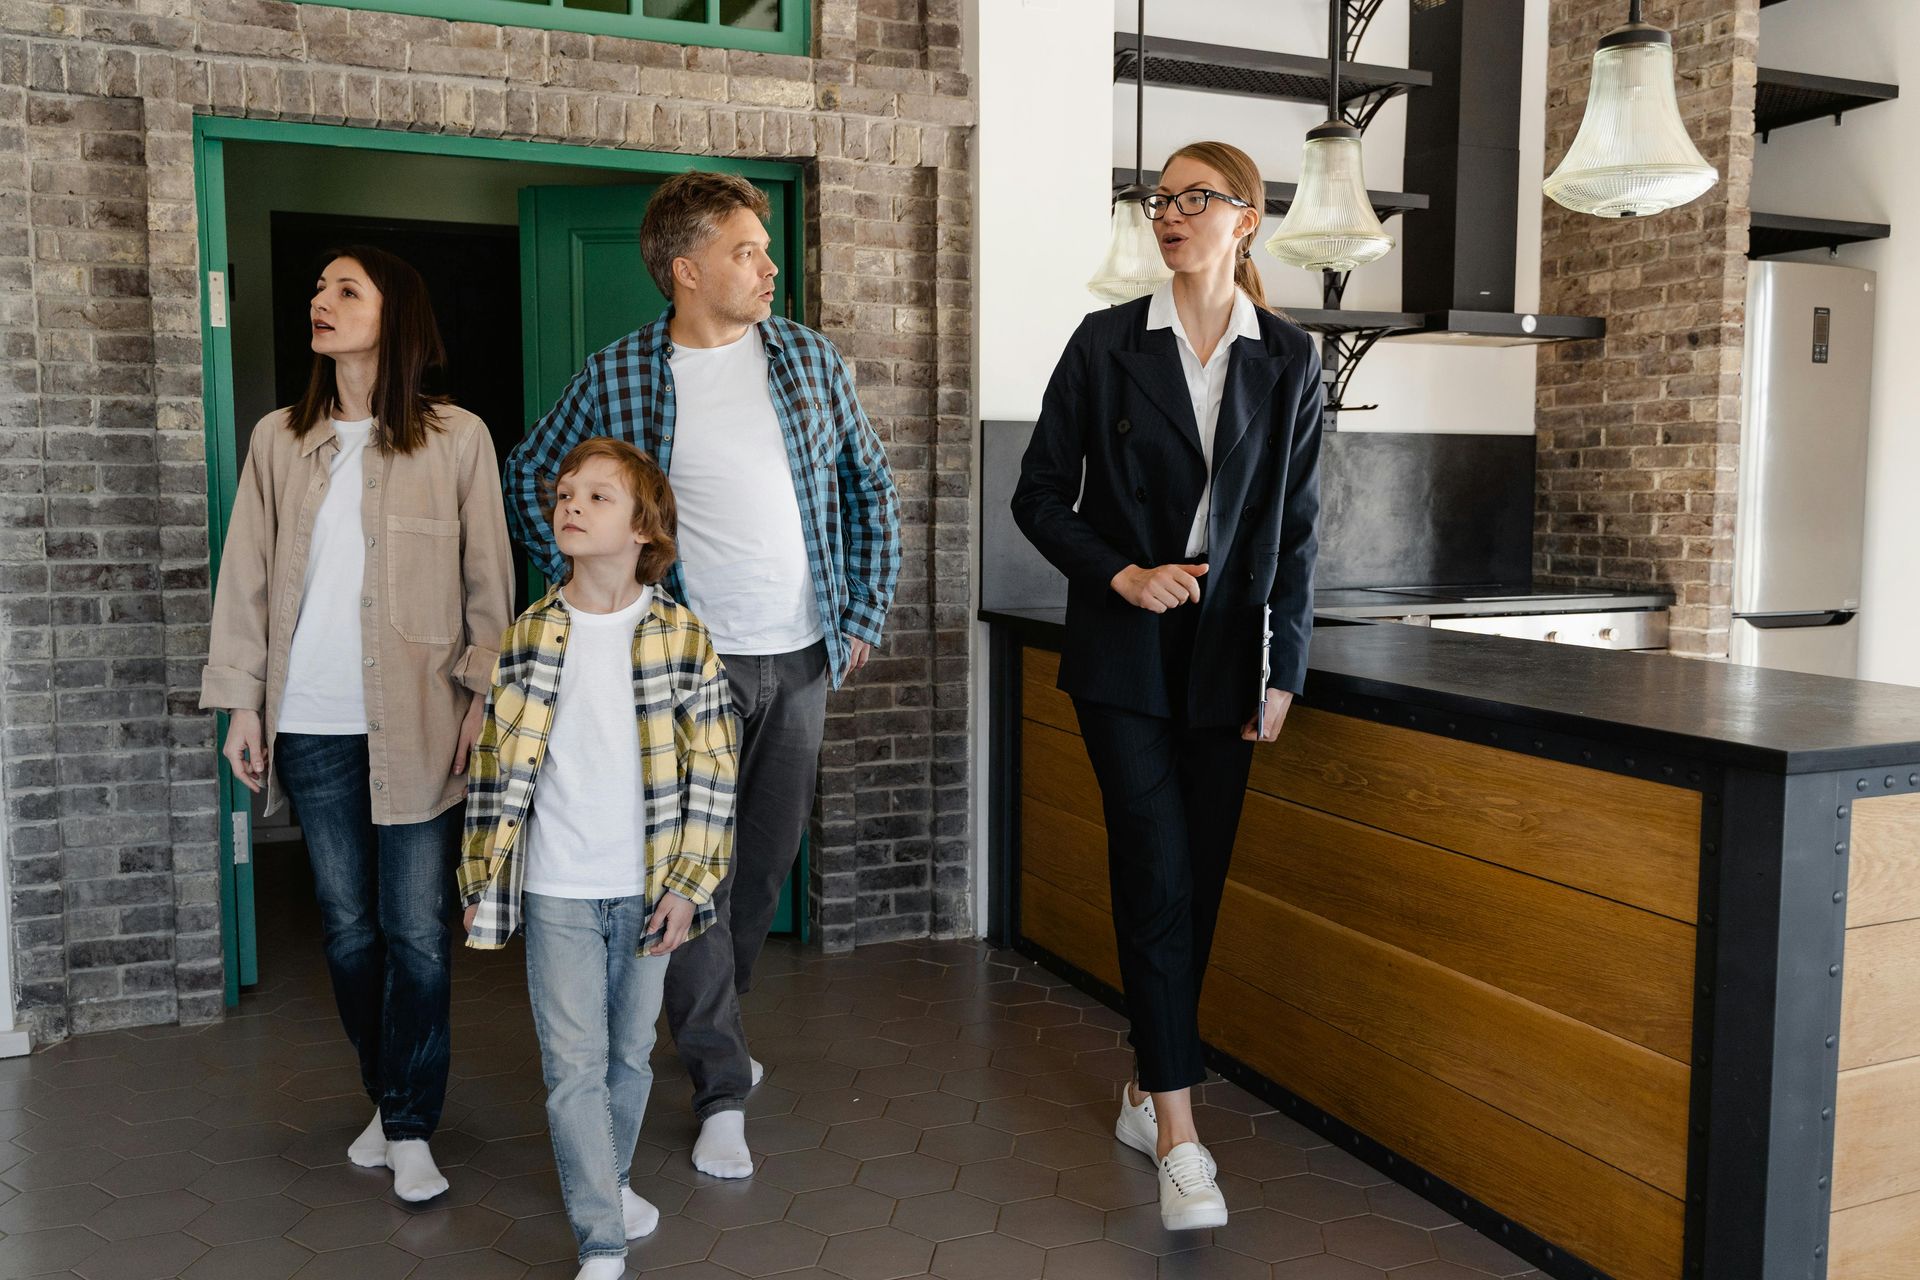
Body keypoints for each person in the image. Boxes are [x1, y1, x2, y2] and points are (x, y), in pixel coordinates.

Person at [504, 170, 901, 1180]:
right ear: (687, 268)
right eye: (747, 250)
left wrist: (859, 615)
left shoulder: (807, 359)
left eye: (767, 249)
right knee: (691, 875)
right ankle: (722, 1079)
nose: (770, 266)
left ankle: (709, 1024)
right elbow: (530, 477)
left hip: (802, 654)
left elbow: (868, 486)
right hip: (684, 670)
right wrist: (593, 597)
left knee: (758, 868)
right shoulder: (621, 370)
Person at [1011, 140, 1324, 1231]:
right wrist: (1122, 571)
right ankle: (1183, 1141)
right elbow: (1040, 494)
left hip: (1231, 657)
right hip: (1123, 653)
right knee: (1154, 871)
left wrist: (1288, 666)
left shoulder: (1287, 358)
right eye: (1161, 199)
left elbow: (1296, 530)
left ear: (1247, 219)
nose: (1171, 214)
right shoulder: (1106, 346)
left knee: (1201, 880)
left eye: (1196, 198)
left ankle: (1147, 1084)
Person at [200, 245, 515, 1202]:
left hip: (420, 718)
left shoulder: (458, 439)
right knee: (346, 931)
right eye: (318, 289)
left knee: (416, 930)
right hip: (311, 720)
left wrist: (481, 699)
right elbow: (245, 579)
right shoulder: (277, 442)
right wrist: (242, 702)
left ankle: (410, 1124)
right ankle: (390, 1090)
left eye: (346, 290)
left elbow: (488, 586)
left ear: (396, 314)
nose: (319, 302)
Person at [459, 438, 738, 1280]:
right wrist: (481, 881)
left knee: (626, 1057)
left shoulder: (684, 639)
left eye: (598, 497)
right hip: (557, 888)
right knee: (572, 1066)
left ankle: (610, 1184)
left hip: (648, 888)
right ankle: (601, 1242)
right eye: (565, 495)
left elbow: (716, 777)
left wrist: (689, 887)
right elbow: (495, 772)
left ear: (644, 530)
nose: (571, 506)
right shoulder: (532, 634)